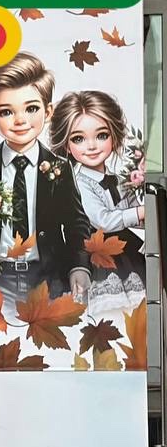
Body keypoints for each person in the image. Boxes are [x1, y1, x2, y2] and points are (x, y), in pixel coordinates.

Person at [0, 52, 92, 310]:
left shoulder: (60, 168)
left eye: (31, 108)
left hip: (49, 277)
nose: (20, 120)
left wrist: (79, 266)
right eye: (6, 112)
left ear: (48, 111)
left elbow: (76, 222)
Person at [51, 89, 146, 315]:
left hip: (127, 250)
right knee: (111, 313)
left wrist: (147, 213)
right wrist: (141, 212)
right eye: (79, 139)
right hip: (98, 255)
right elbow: (103, 220)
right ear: (67, 145)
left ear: (114, 136)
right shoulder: (77, 183)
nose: (91, 146)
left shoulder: (118, 178)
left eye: (101, 135)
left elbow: (129, 212)